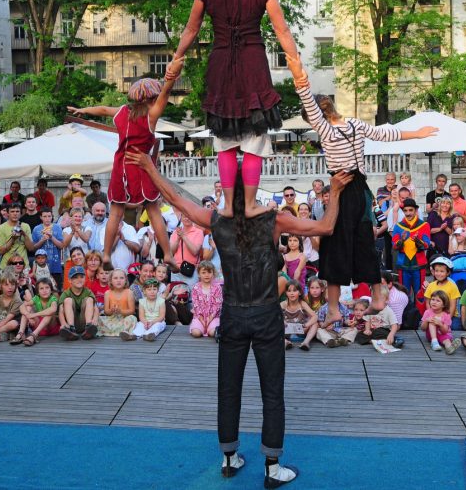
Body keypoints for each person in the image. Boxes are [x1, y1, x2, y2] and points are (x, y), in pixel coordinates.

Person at [127, 151, 352, 487]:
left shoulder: (217, 220)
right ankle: (273, 468)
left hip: (232, 313)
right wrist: (334, 191)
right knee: (272, 391)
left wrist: (149, 167)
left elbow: (174, 198)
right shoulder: (273, 221)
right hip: (265, 314)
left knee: (228, 388)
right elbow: (326, 226)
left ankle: (230, 457)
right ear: (253, 190)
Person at [163, 0, 300, 225]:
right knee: (255, 137)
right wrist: (296, 65)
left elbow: (190, 30)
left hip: (221, 64)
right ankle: (250, 204)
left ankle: (226, 205)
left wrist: (176, 59)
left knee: (225, 139)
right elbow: (283, 32)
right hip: (253, 64)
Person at [288, 57, 436, 322]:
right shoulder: (355, 124)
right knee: (364, 244)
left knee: (334, 246)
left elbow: (307, 100)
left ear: (316, 117)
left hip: (342, 187)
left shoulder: (326, 130)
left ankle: (333, 308)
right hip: (361, 190)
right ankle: (378, 296)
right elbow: (387, 134)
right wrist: (417, 133)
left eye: (311, 120)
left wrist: (299, 76)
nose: (312, 126)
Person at [68, 76, 181, 267]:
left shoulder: (122, 112)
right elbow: (166, 93)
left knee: (115, 213)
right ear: (152, 98)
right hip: (140, 165)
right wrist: (170, 78)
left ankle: (105, 255)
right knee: (153, 210)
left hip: (121, 166)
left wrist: (83, 110)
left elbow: (103, 109)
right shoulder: (151, 115)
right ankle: (168, 254)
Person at [390, 198, 432, 296]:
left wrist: (418, 241)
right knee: (404, 293)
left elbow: (426, 245)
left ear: (416, 210)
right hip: (403, 265)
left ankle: (420, 312)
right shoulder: (398, 226)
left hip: (419, 265)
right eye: (405, 210)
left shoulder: (424, 225)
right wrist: (402, 240)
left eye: (410, 210)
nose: (408, 213)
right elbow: (394, 246)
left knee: (420, 294)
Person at [58, 265, 99, 340]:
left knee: (89, 299)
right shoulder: (66, 293)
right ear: (70, 280)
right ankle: (71, 329)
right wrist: (63, 323)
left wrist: (95, 319)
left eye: (81, 277)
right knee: (68, 300)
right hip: (72, 322)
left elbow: (95, 308)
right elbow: (60, 311)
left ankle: (88, 327)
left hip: (85, 321)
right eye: (75, 277)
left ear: (85, 278)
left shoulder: (88, 291)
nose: (79, 279)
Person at [98, 269, 137, 340]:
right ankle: (120, 332)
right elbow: (106, 311)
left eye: (121, 278)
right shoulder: (107, 293)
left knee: (132, 318)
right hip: (111, 319)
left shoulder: (129, 292)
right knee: (99, 318)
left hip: (124, 318)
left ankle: (125, 332)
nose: (118, 280)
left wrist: (121, 311)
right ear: (111, 281)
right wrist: (111, 310)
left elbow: (132, 311)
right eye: (115, 278)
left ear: (125, 280)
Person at [281, 282, 317, 351]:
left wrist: (306, 325)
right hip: (286, 331)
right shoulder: (283, 304)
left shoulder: (302, 304)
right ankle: (285, 342)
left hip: (300, 330)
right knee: (273, 324)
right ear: (286, 293)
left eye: (294, 290)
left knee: (315, 324)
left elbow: (315, 316)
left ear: (300, 293)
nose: (292, 293)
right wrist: (282, 322)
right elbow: (274, 317)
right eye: (289, 291)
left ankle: (305, 343)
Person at [190, 262, 223, 338]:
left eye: (209, 272)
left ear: (213, 273)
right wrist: (201, 319)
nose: (206, 275)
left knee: (212, 333)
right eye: (203, 272)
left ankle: (215, 330)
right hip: (199, 316)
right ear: (199, 274)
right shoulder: (196, 287)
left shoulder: (217, 287)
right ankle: (196, 326)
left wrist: (210, 318)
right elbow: (196, 305)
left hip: (213, 316)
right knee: (196, 333)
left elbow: (218, 305)